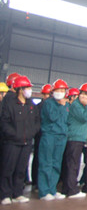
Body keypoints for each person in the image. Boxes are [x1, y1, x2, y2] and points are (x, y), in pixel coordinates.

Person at [0, 75, 39, 204]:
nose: (29, 90)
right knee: (8, 169)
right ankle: (5, 194)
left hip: (26, 142)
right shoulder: (9, 104)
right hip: (12, 142)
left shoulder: (31, 105)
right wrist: (14, 134)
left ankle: (17, 193)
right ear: (20, 89)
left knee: (21, 169)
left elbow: (37, 121)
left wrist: (31, 133)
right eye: (27, 88)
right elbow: (4, 122)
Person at [38, 79, 70, 201]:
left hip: (61, 136)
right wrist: (61, 106)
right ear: (53, 91)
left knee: (56, 164)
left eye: (63, 90)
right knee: (46, 162)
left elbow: (67, 120)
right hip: (49, 135)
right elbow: (52, 117)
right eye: (58, 90)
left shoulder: (66, 105)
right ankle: (44, 191)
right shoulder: (48, 103)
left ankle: (52, 189)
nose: (61, 92)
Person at [62, 83, 87, 199]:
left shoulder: (80, 106)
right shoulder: (77, 105)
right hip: (75, 138)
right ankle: (71, 190)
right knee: (73, 164)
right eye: (82, 94)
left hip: (79, 138)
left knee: (74, 163)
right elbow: (85, 117)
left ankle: (68, 188)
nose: (84, 97)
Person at [31, 83, 52, 190]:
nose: (48, 96)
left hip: (47, 135)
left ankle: (41, 181)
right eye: (46, 94)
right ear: (43, 95)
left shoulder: (50, 106)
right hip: (40, 135)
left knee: (46, 159)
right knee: (39, 158)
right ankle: (36, 181)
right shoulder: (39, 106)